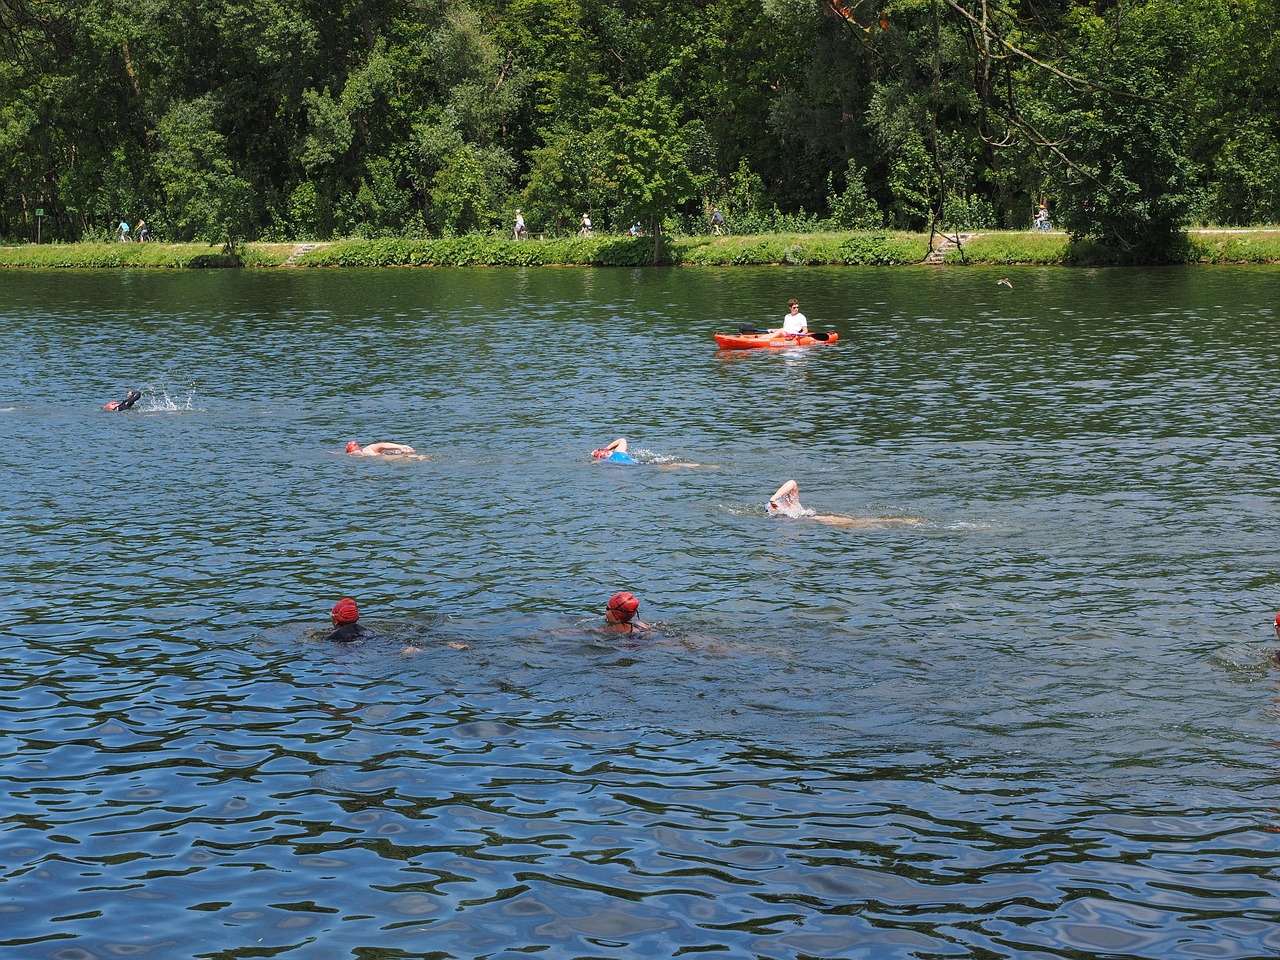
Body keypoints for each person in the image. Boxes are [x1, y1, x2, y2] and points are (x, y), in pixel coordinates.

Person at [767, 479, 921, 528]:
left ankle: (902, 520)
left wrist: (773, 499)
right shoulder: (786, 509)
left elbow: (792, 482)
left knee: (860, 524)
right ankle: (902, 520)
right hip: (817, 519)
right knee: (861, 523)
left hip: (818, 519)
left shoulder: (787, 506)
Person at [345, 440, 417, 457]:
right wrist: (400, 447)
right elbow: (383, 445)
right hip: (380, 457)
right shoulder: (369, 448)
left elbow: (383, 445)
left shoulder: (369, 448)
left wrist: (400, 447)